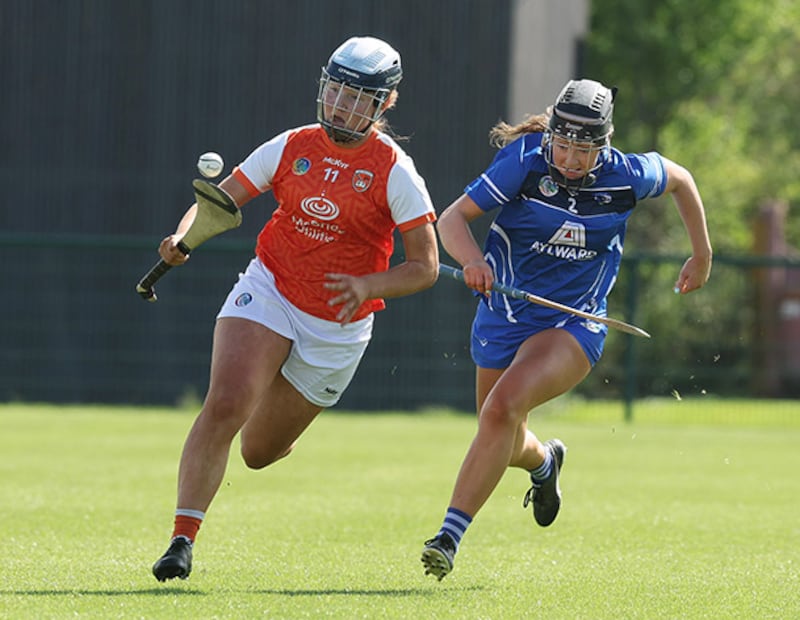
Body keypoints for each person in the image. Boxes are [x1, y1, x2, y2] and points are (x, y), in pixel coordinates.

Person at [150, 36, 438, 581]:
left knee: (257, 452)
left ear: (385, 105)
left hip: (337, 325)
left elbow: (423, 267)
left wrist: (367, 284)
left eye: (359, 98)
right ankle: (181, 542)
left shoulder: (395, 171)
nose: (342, 106)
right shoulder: (290, 146)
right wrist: (183, 235)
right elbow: (220, 201)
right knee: (226, 402)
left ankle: (275, 407)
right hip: (272, 286)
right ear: (323, 88)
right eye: (337, 91)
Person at [421, 78, 712, 581]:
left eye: (585, 148)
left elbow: (681, 179)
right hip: (504, 312)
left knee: (503, 408)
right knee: (502, 434)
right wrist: (472, 261)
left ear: (605, 143)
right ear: (551, 132)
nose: (571, 159)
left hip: (573, 321)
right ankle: (544, 463)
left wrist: (702, 255)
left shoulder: (626, 176)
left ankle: (448, 536)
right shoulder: (524, 162)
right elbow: (452, 220)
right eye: (564, 143)